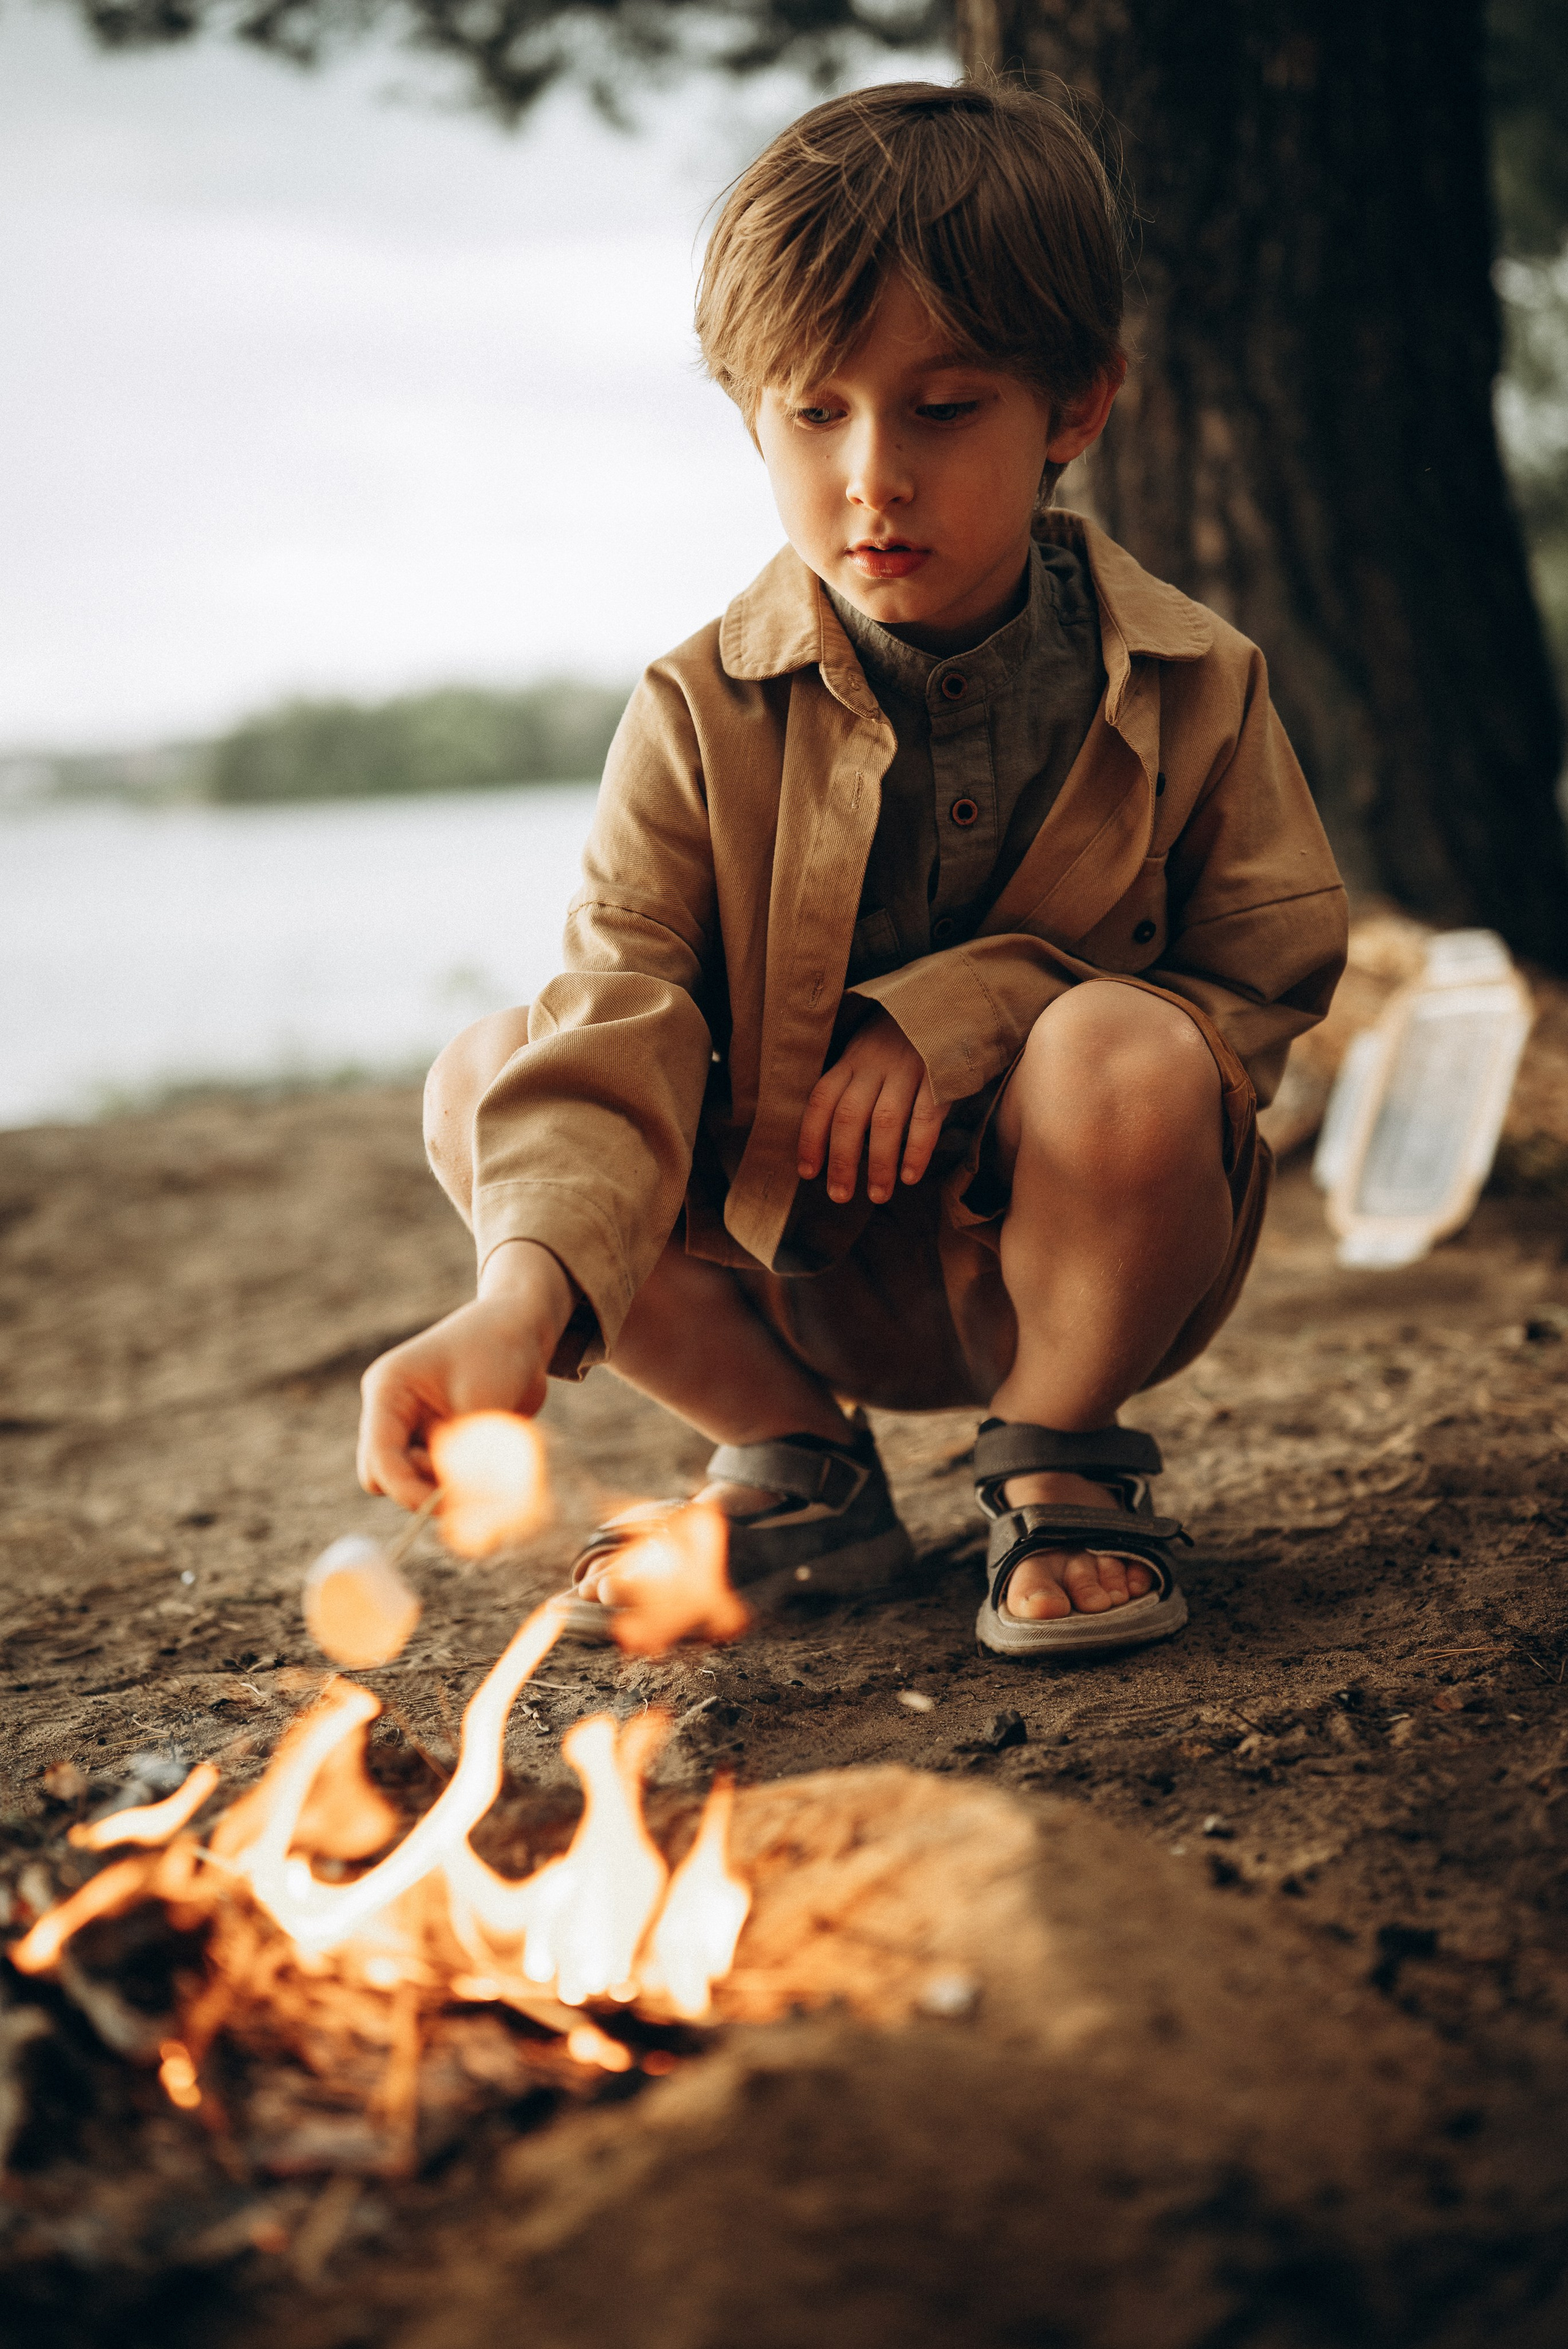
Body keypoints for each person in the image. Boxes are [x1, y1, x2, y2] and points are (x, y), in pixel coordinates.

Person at [357, 80, 1347, 1659]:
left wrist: (969, 1010)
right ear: (754, 414)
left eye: (942, 409)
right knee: (498, 1068)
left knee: (1126, 1042)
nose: (871, 473)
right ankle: (798, 1462)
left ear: (1076, 410)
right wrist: (518, 1299)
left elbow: (1261, 986)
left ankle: (1062, 1462)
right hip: (781, 1256)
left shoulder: (1195, 679)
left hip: (1075, 1263)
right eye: (816, 411)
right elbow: (618, 1014)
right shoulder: (693, 710)